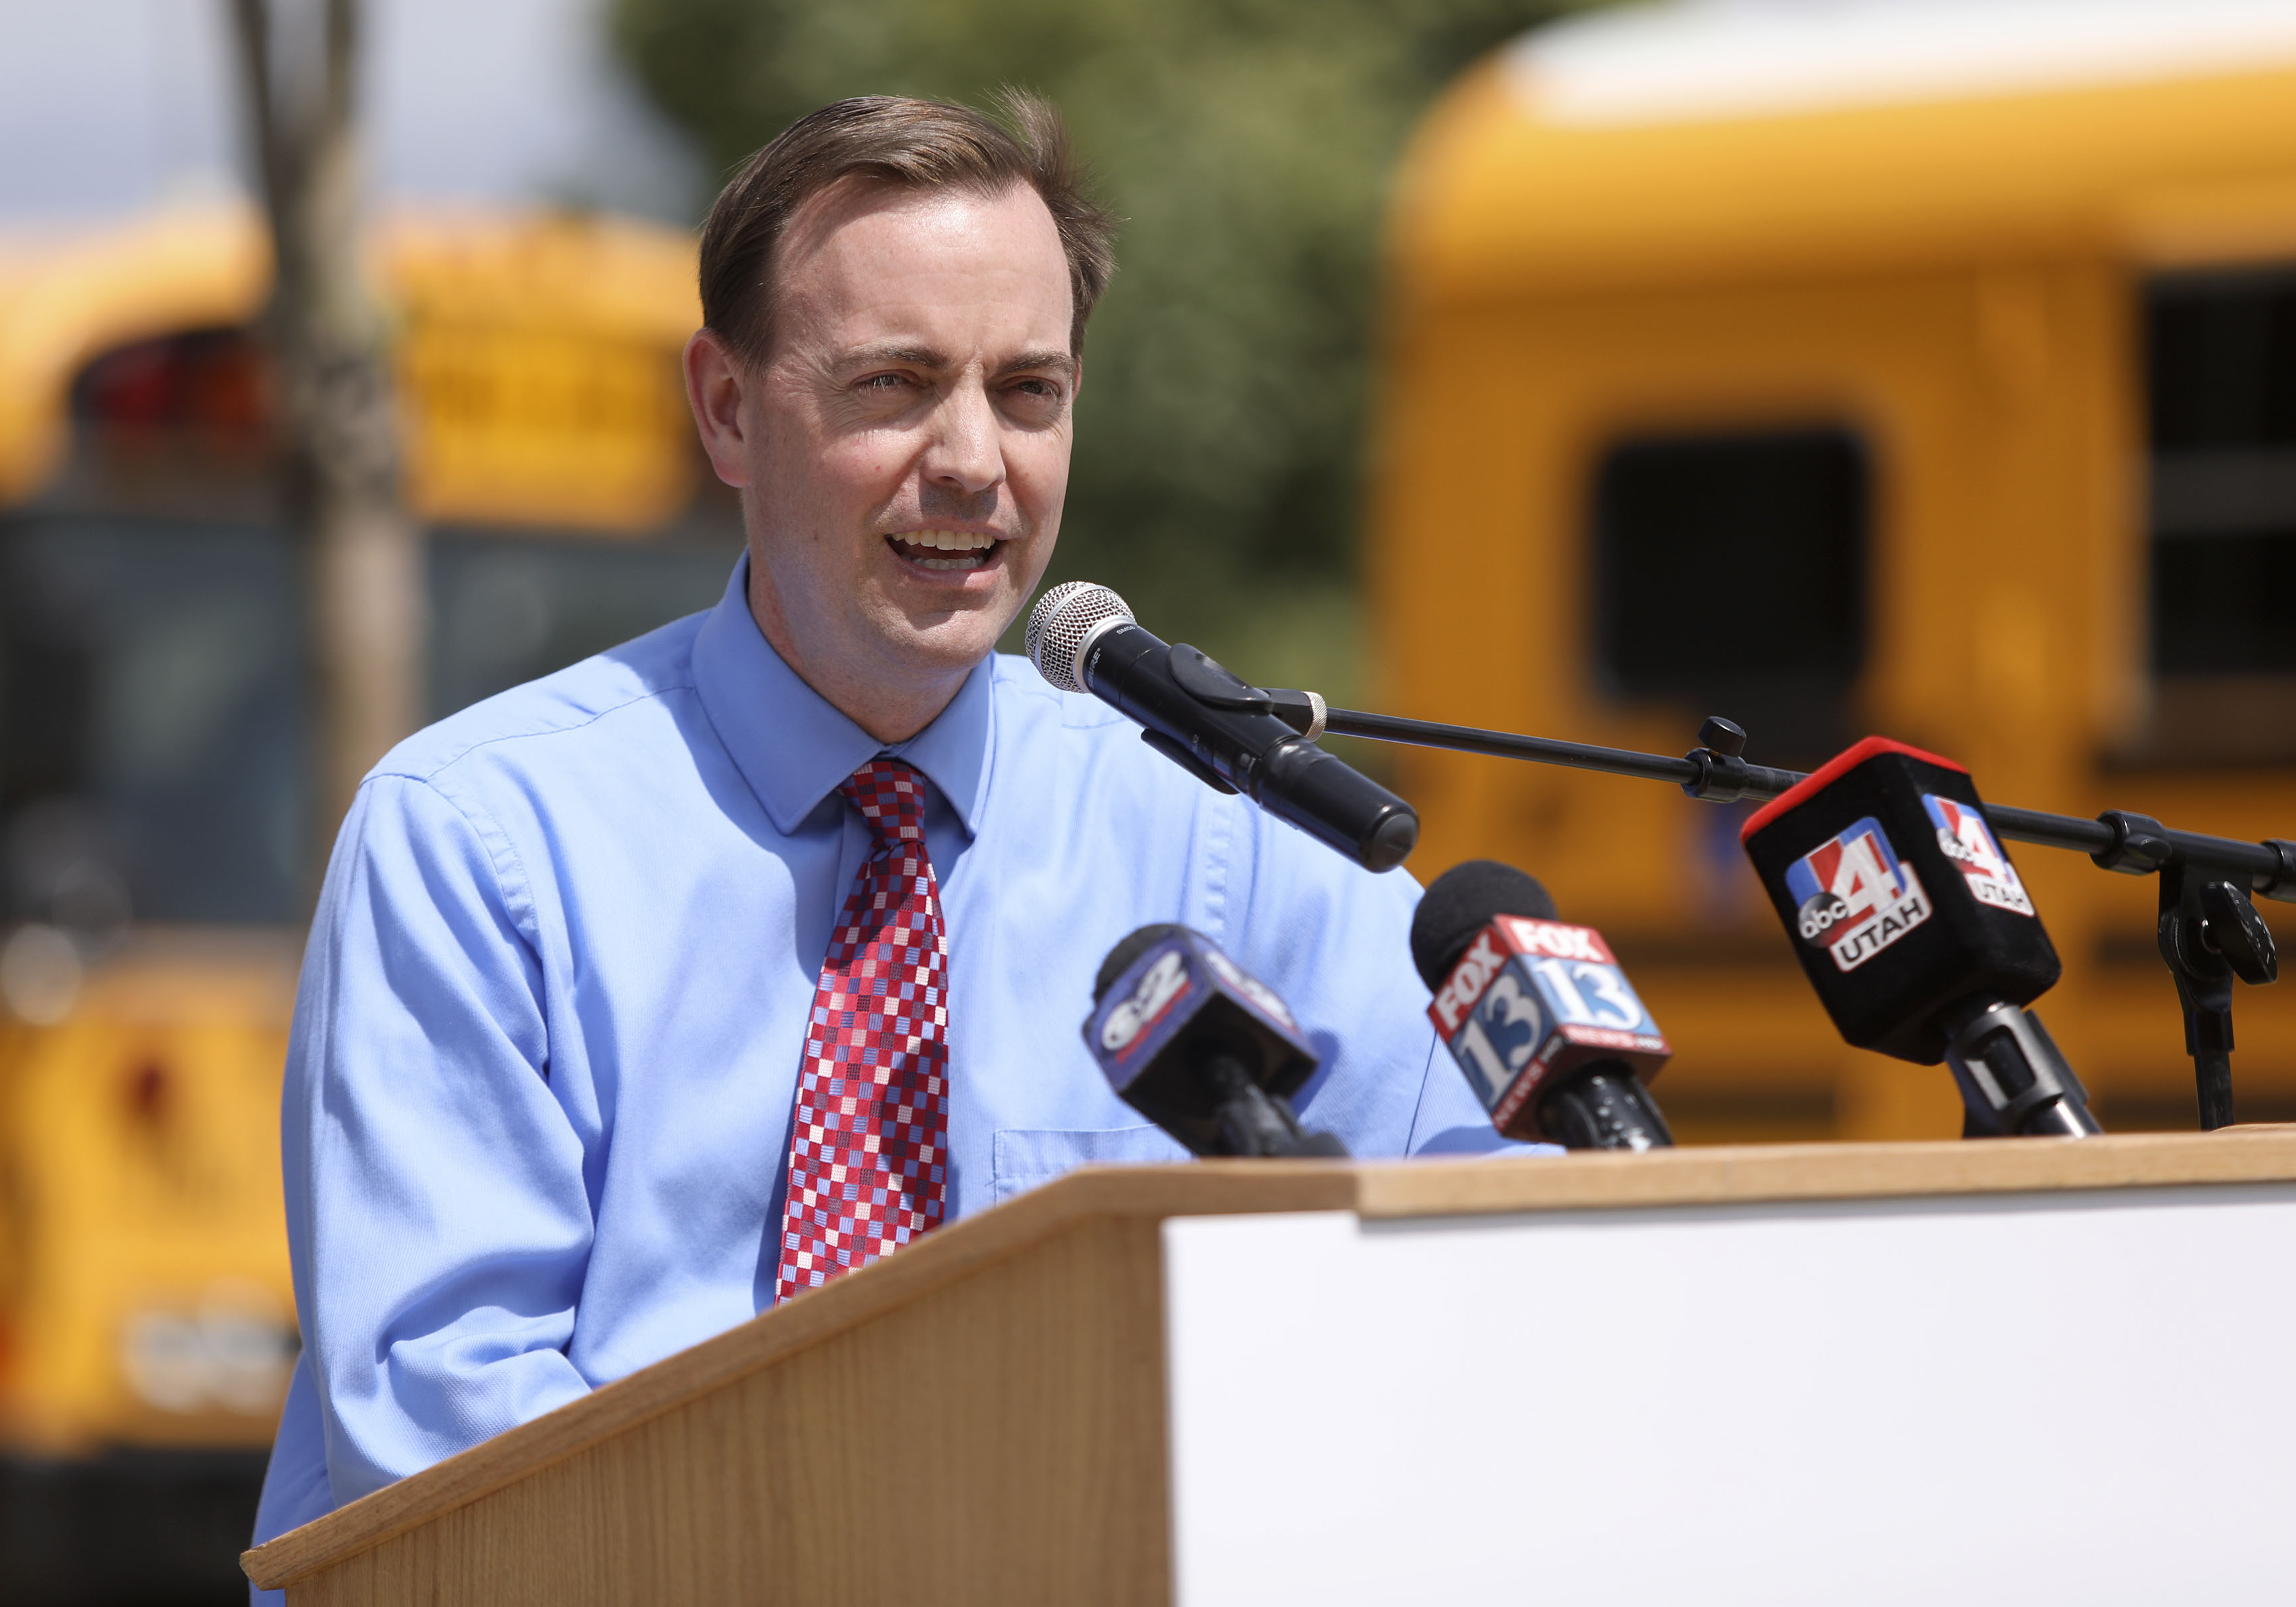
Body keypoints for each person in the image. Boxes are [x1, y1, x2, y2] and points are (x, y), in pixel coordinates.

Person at [248, 90, 1535, 1563]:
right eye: (896, 385)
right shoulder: (480, 844)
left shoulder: (1215, 829)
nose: (976, 460)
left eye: (1029, 391)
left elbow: (1497, 1226)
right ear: (729, 410)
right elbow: (451, 1438)